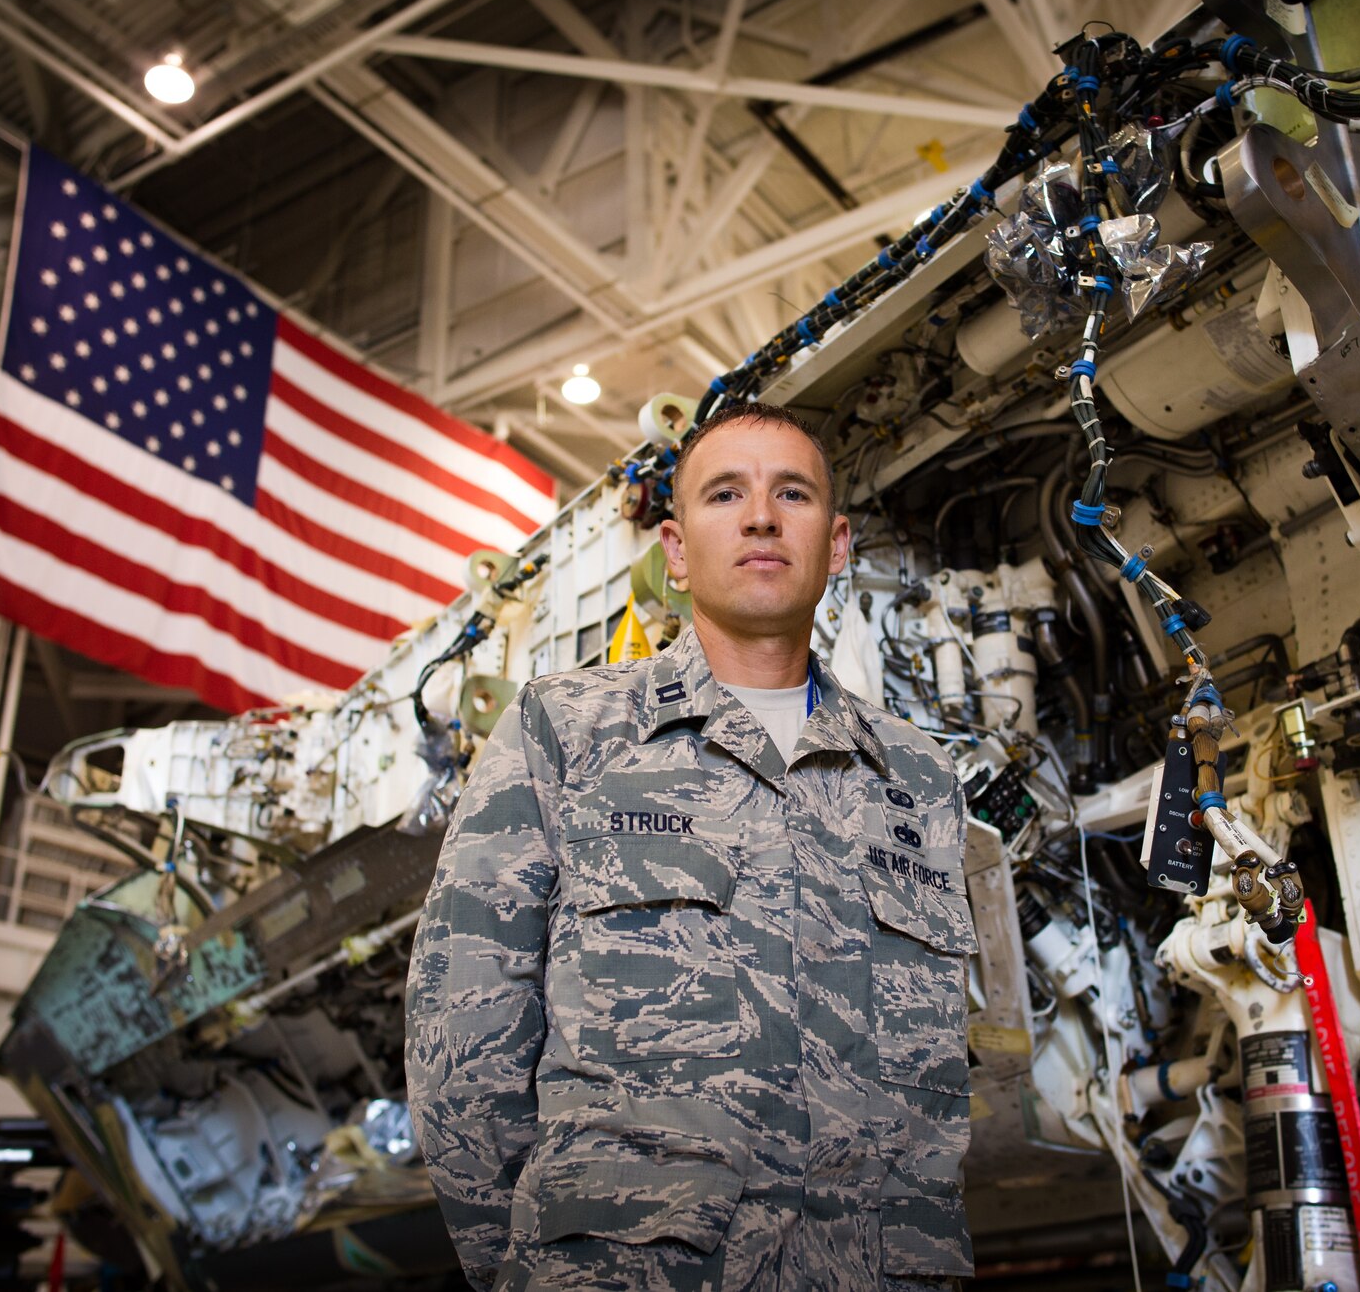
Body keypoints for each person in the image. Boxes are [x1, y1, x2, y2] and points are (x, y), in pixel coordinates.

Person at [406, 400, 977, 1291]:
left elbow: (938, 1081)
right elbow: (463, 1027)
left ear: (836, 544)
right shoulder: (569, 731)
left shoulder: (918, 778)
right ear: (674, 550)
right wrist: (533, 1262)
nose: (760, 516)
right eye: (725, 494)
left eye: (792, 492)